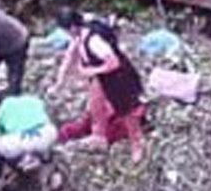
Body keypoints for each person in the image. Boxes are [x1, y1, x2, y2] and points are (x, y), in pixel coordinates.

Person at [55, 10, 146, 161]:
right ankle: (98, 136)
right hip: (100, 74)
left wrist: (89, 70)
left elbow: (114, 62)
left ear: (72, 27)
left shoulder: (93, 40)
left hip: (117, 75)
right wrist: (60, 80)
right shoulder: (80, 35)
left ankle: (137, 144)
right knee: (95, 103)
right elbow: (71, 53)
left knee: (126, 111)